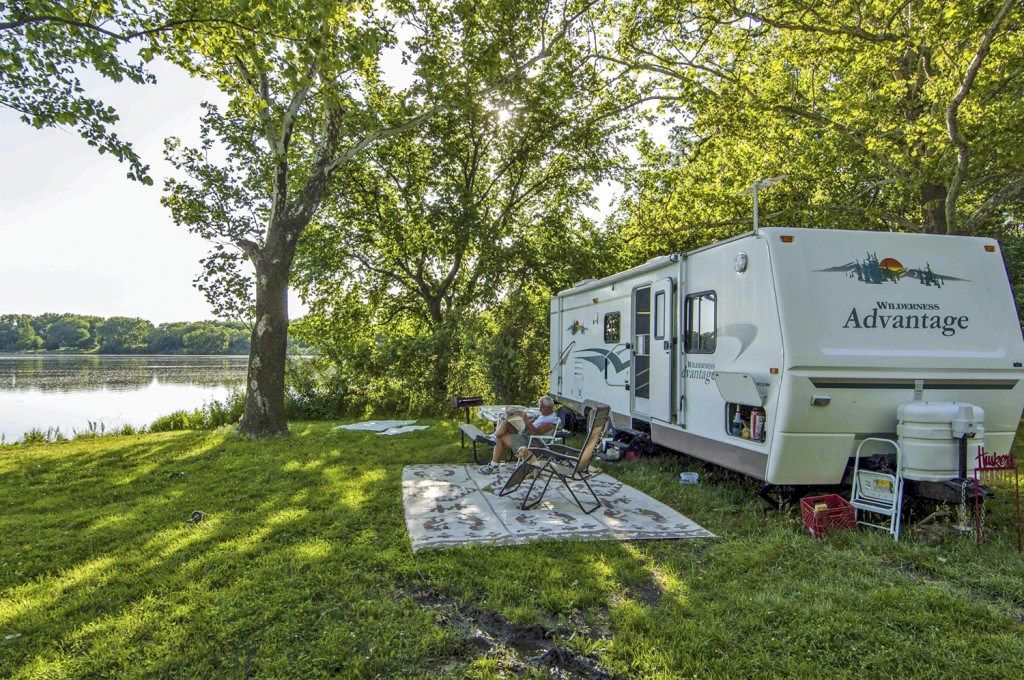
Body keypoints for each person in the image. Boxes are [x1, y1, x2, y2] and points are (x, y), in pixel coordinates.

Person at [478, 396, 561, 474]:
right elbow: (533, 427)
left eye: (541, 407)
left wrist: (527, 421)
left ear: (549, 407)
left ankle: (493, 466)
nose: (539, 409)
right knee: (506, 423)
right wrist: (525, 420)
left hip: (532, 442)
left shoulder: (551, 421)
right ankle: (492, 437)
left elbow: (536, 432)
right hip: (526, 435)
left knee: (500, 438)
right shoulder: (544, 415)